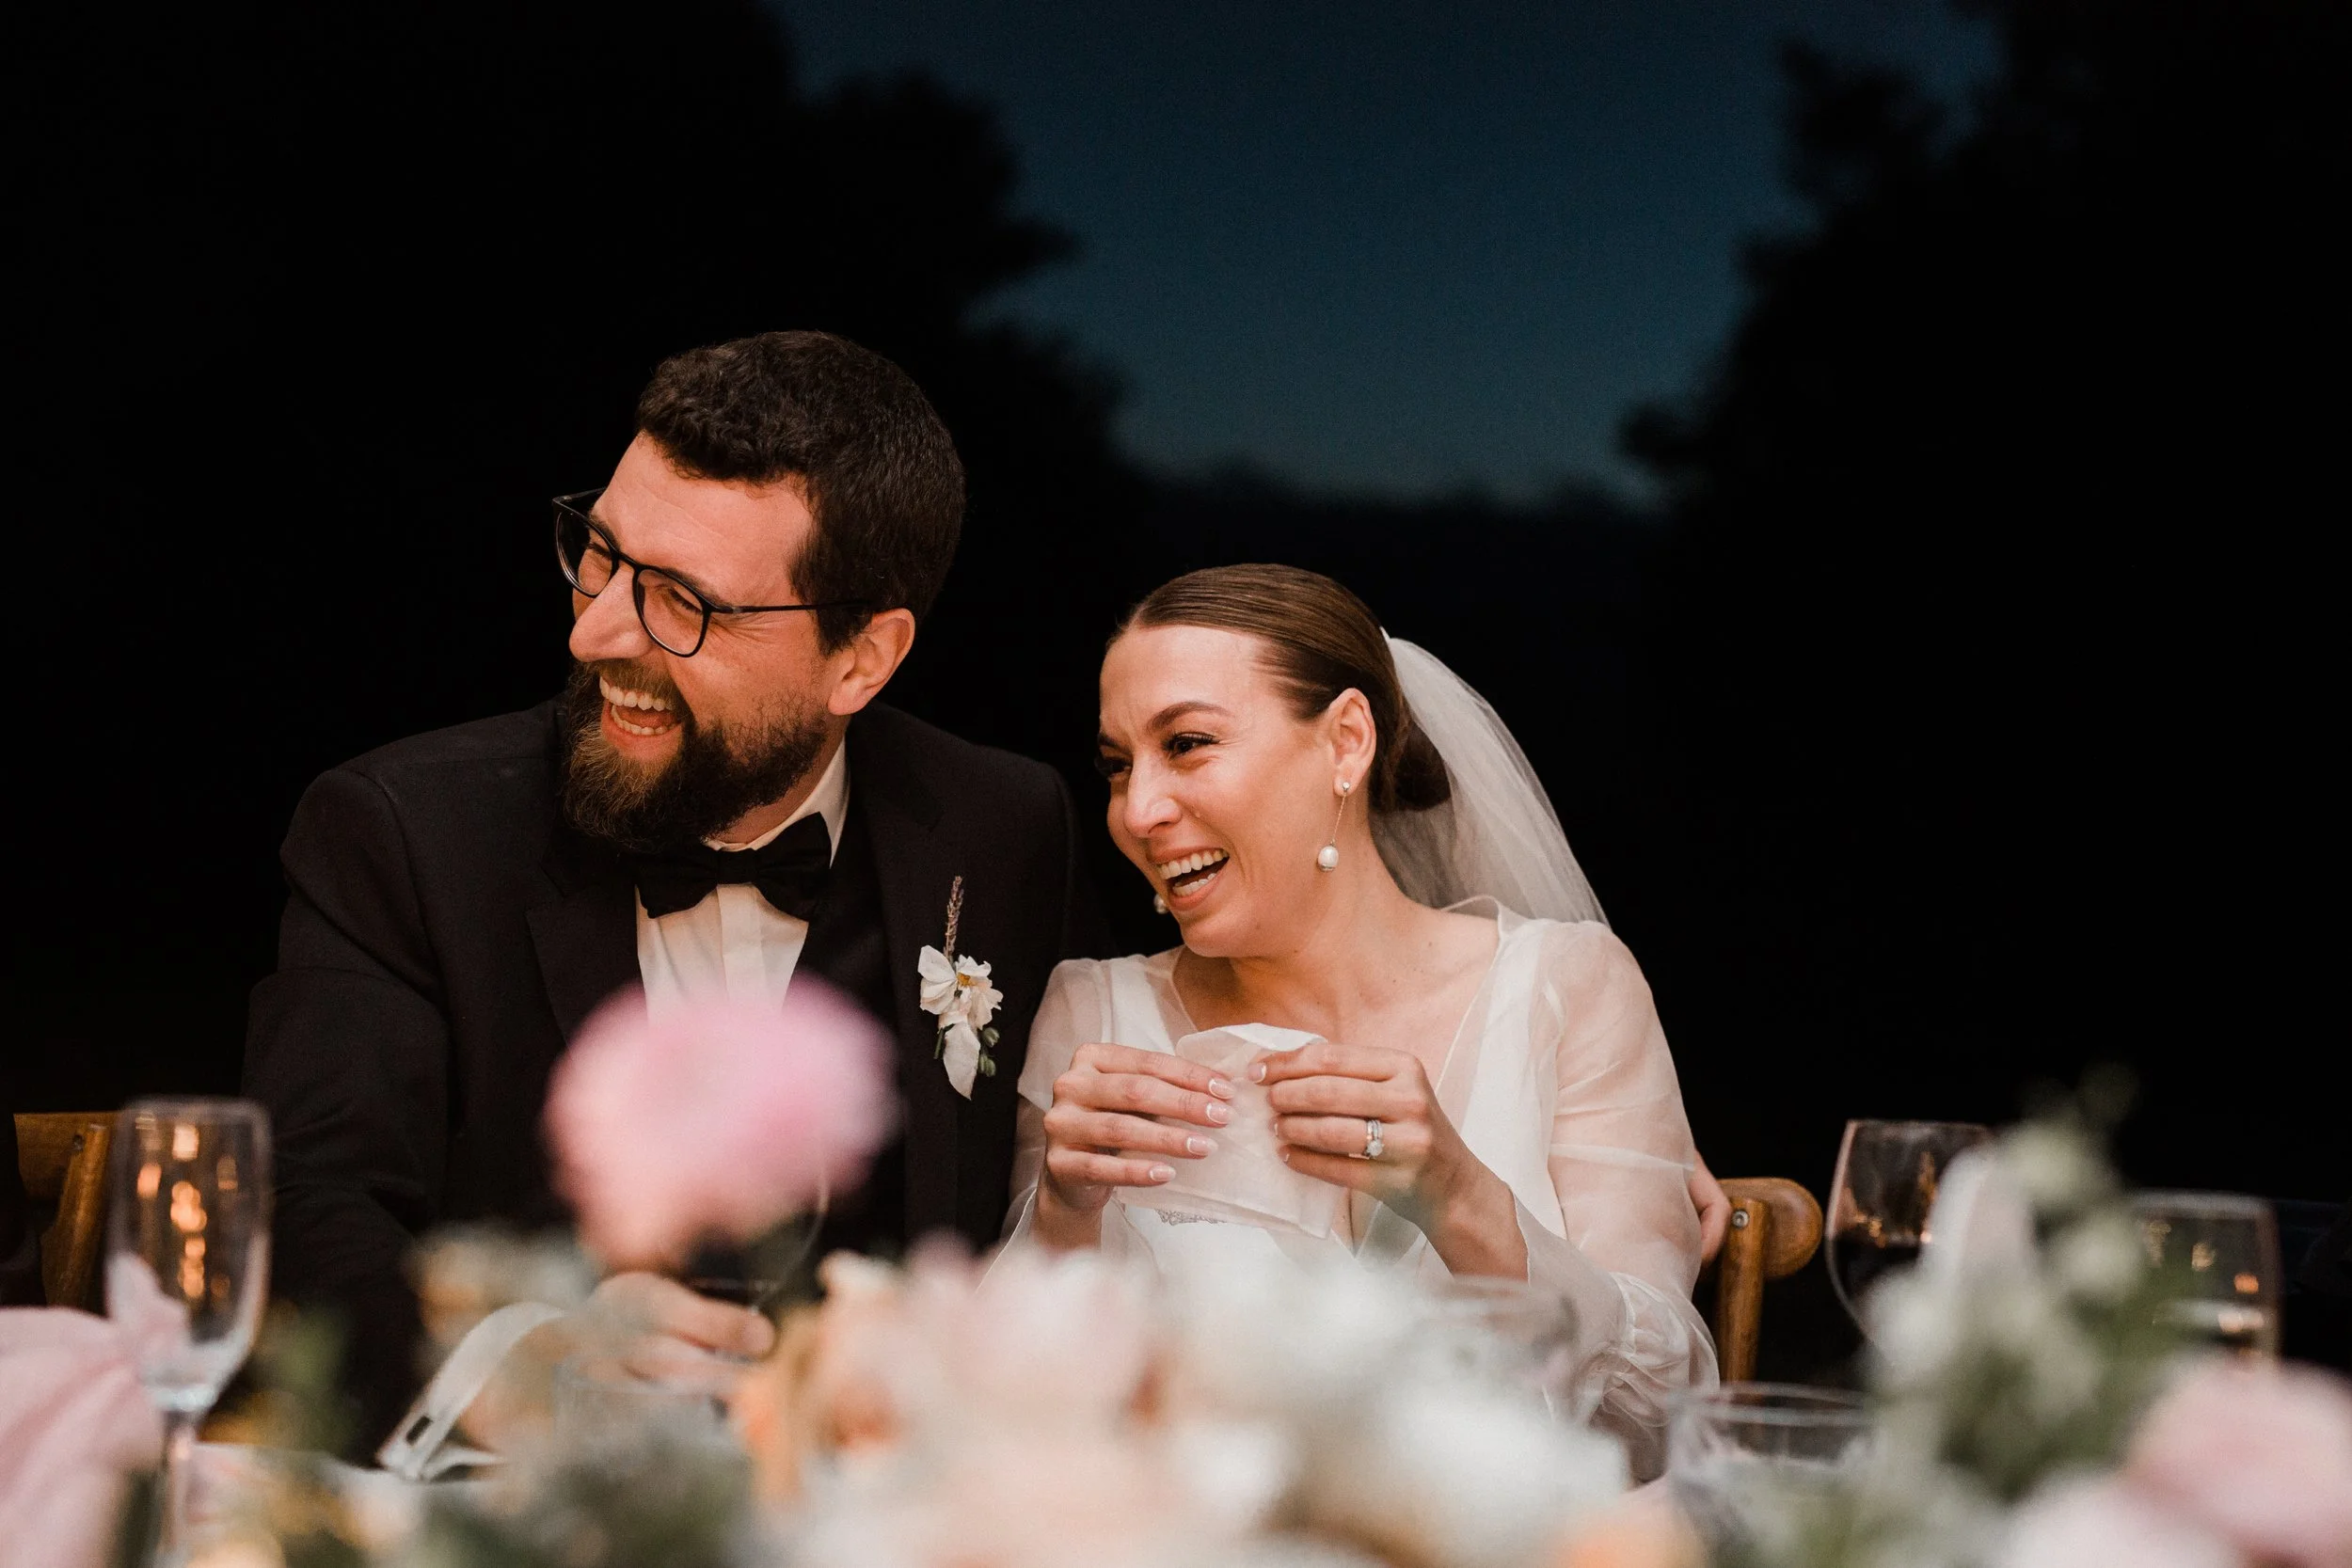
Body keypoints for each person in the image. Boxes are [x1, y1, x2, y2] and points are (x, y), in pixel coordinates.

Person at [242, 331, 1107, 1451]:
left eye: (680, 603)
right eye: (598, 554)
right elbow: (307, 1205)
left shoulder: (1000, 828)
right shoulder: (402, 832)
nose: (593, 629)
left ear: (862, 659)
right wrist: (527, 1363)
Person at [1008, 564, 1715, 1476]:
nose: (1136, 810)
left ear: (1345, 742)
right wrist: (1064, 1212)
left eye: (1185, 743)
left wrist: (1463, 1196)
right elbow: (1007, 1416)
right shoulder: (1093, 1014)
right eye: (1116, 764)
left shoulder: (1568, 989)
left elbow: (1663, 1421)